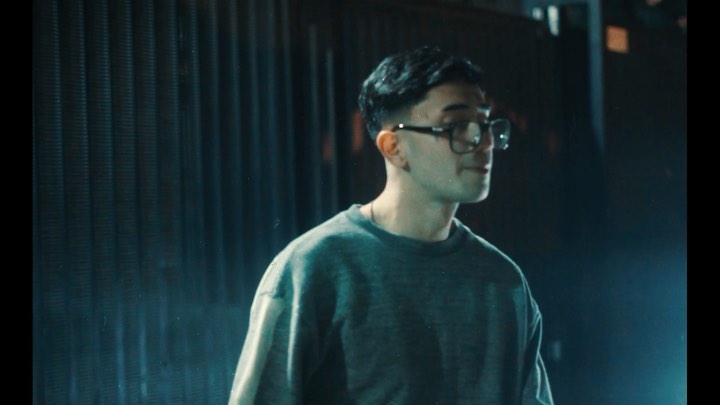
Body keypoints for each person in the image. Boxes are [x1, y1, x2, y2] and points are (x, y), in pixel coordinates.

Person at [228, 45, 554, 405]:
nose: (485, 142)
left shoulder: (505, 283)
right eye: (457, 126)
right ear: (393, 146)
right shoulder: (313, 269)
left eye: (486, 124)